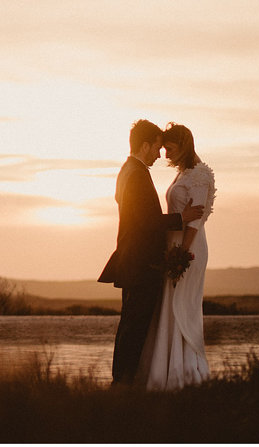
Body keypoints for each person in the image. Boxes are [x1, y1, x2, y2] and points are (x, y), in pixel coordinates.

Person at [98, 120, 205, 386]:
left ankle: (123, 381)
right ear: (145, 145)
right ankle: (123, 382)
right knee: (134, 327)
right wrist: (181, 218)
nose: (159, 154)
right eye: (157, 147)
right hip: (141, 262)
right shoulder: (135, 174)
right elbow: (145, 220)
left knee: (130, 326)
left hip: (134, 260)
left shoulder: (128, 170)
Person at [138, 123, 216, 390]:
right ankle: (165, 367)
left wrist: (183, 254)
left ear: (183, 145)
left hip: (188, 248)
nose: (165, 154)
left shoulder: (199, 174)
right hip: (173, 245)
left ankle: (186, 370)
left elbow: (195, 221)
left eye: (169, 148)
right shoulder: (184, 173)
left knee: (182, 304)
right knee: (168, 305)